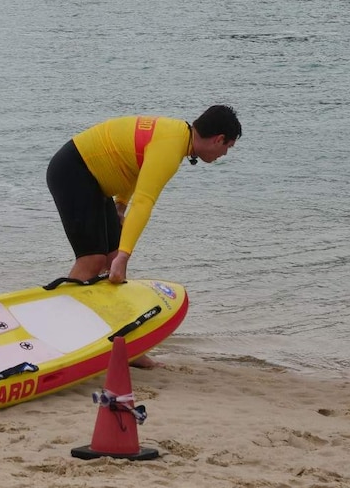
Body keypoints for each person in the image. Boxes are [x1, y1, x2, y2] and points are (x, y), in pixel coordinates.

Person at [46, 104, 242, 367]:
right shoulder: (171, 146)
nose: (224, 153)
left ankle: (123, 347)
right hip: (74, 172)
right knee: (93, 260)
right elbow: (145, 202)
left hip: (95, 180)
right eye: (227, 147)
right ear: (218, 139)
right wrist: (125, 255)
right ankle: (57, 338)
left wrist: (120, 204)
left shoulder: (177, 136)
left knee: (112, 261)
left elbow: (133, 160)